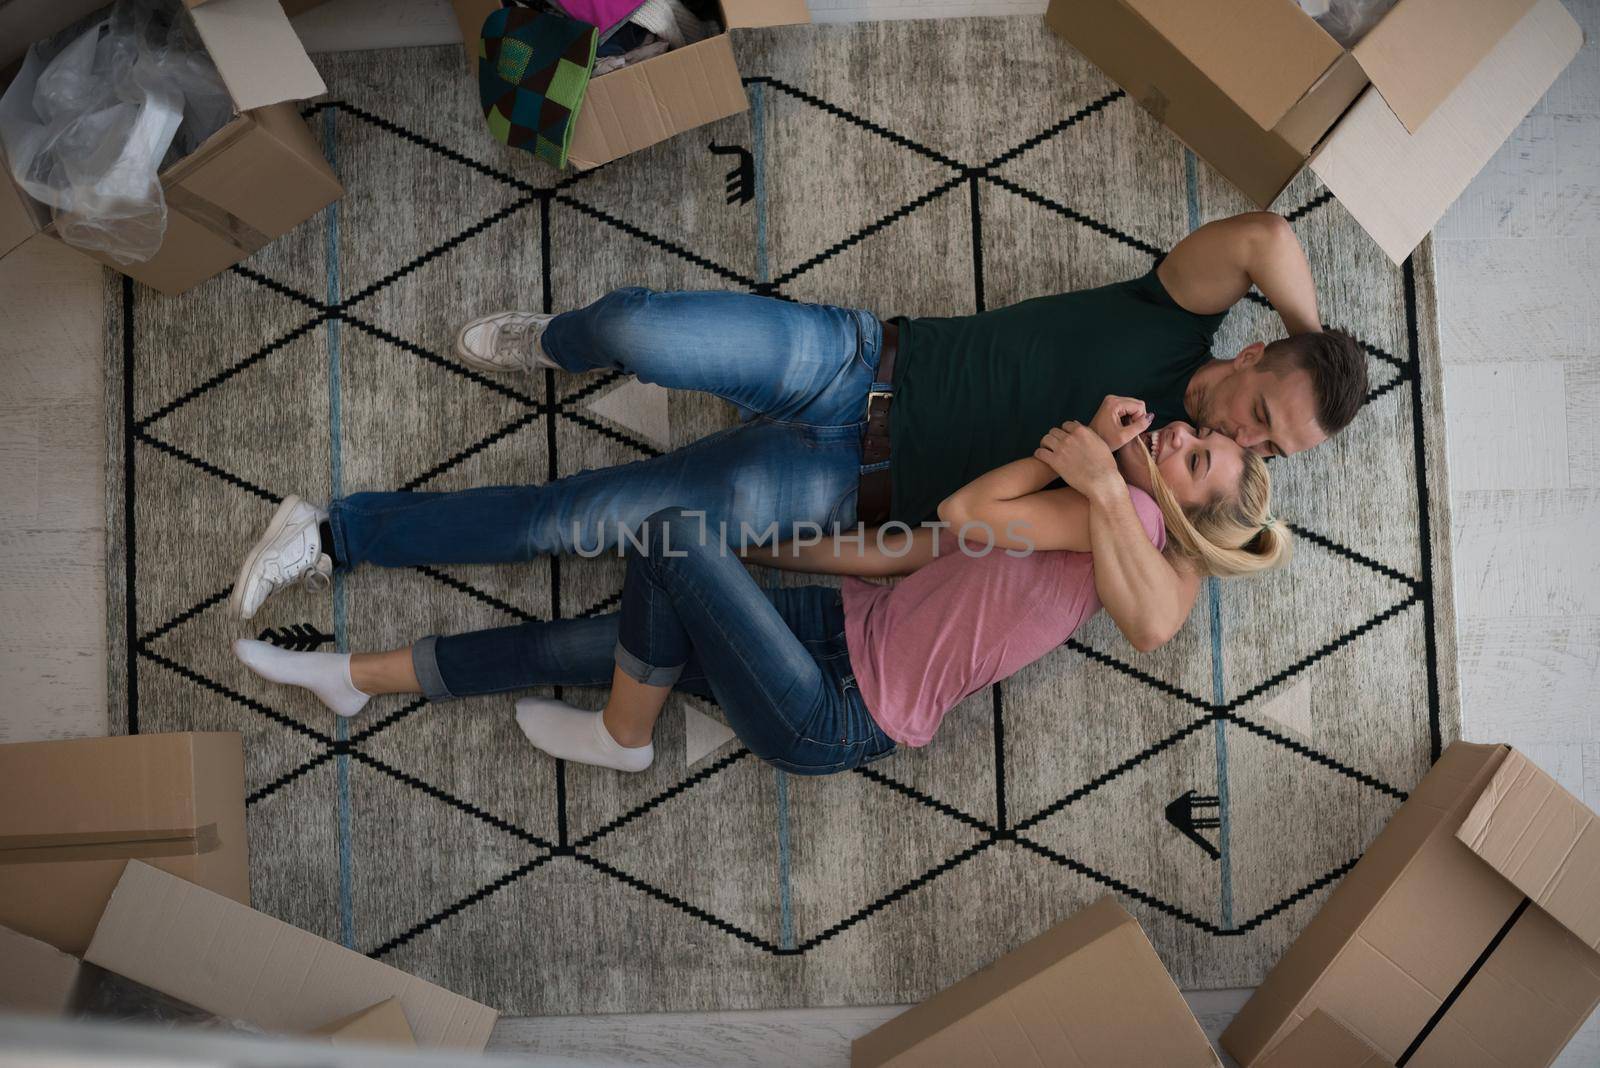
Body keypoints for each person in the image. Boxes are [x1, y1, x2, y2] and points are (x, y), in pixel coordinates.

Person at [228, 211, 1356, 650]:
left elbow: (1158, 617)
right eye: (1261, 415)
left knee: (586, 519)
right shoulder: (1174, 320)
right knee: (640, 327)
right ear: (1256, 349)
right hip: (862, 359)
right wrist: (1320, 346)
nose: (1250, 446)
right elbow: (1261, 237)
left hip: (830, 490)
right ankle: (568, 345)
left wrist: (1114, 486)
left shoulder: (1156, 491)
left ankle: (333, 535)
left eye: (1272, 453)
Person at [232, 397, 1289, 775]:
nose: (1184, 439)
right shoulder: (1119, 517)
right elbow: (926, 542)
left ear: (1189, 515)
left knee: (670, 540)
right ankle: (355, 678)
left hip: (839, 713)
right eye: (1198, 438)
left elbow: (985, 523)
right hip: (840, 625)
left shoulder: (1142, 533)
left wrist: (1104, 479)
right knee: (595, 637)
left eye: (1199, 458)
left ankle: (622, 737)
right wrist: (766, 562)